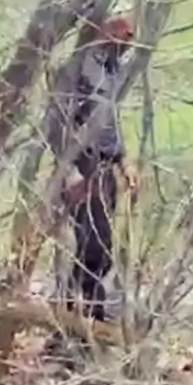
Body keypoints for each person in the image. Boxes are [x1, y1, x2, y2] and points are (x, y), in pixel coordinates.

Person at [50, 16, 136, 321]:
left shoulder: (112, 71)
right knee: (91, 240)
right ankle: (74, 311)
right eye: (124, 33)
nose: (129, 40)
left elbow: (108, 121)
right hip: (80, 163)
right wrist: (70, 171)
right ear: (105, 31)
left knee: (103, 243)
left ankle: (90, 311)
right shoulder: (77, 68)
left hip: (104, 165)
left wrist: (123, 161)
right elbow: (57, 121)